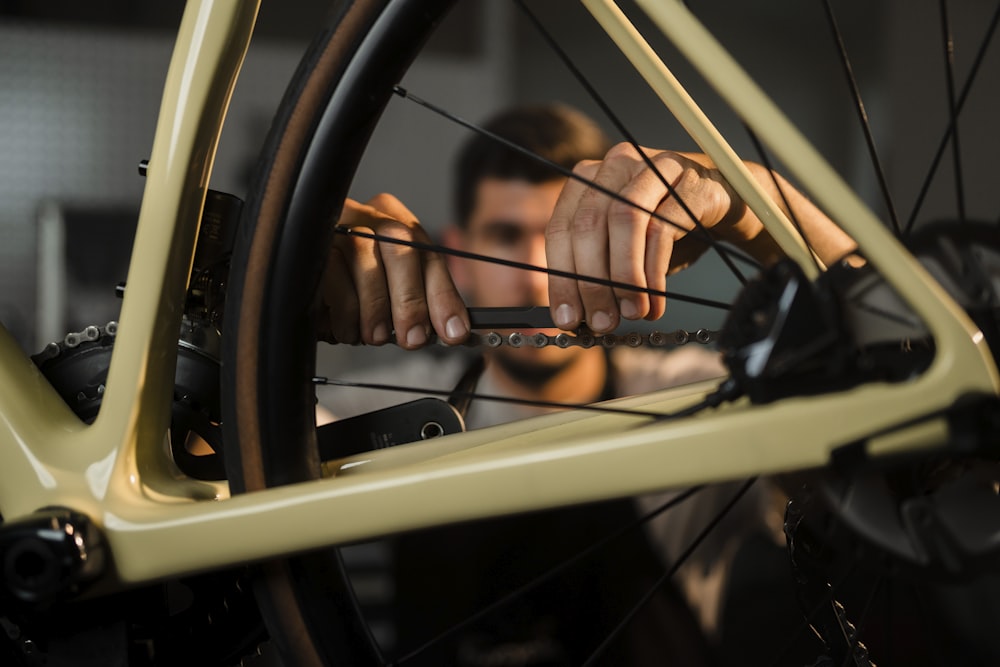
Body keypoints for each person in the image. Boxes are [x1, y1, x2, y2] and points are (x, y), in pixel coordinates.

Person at [319, 103, 775, 666]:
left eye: (563, 235)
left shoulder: (694, 398)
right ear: (458, 255)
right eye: (506, 236)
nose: (536, 274)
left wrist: (752, 203)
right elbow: (206, 469)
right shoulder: (384, 410)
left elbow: (879, 410)